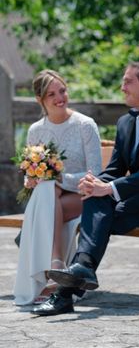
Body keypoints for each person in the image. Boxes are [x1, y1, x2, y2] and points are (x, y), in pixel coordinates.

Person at [32, 60, 139, 316]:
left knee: (102, 213)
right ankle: (80, 274)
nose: (122, 87)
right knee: (94, 199)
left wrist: (108, 189)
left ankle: (69, 287)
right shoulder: (125, 122)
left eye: (128, 81)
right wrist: (94, 184)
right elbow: (115, 168)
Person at [13, 70, 102, 306]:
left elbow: (96, 174)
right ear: (40, 100)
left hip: (84, 197)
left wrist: (60, 178)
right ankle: (56, 267)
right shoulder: (35, 130)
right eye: (51, 94)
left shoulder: (85, 125)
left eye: (62, 90)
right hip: (54, 200)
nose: (59, 97)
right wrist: (30, 180)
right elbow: (32, 173)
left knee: (50, 186)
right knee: (48, 189)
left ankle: (52, 268)